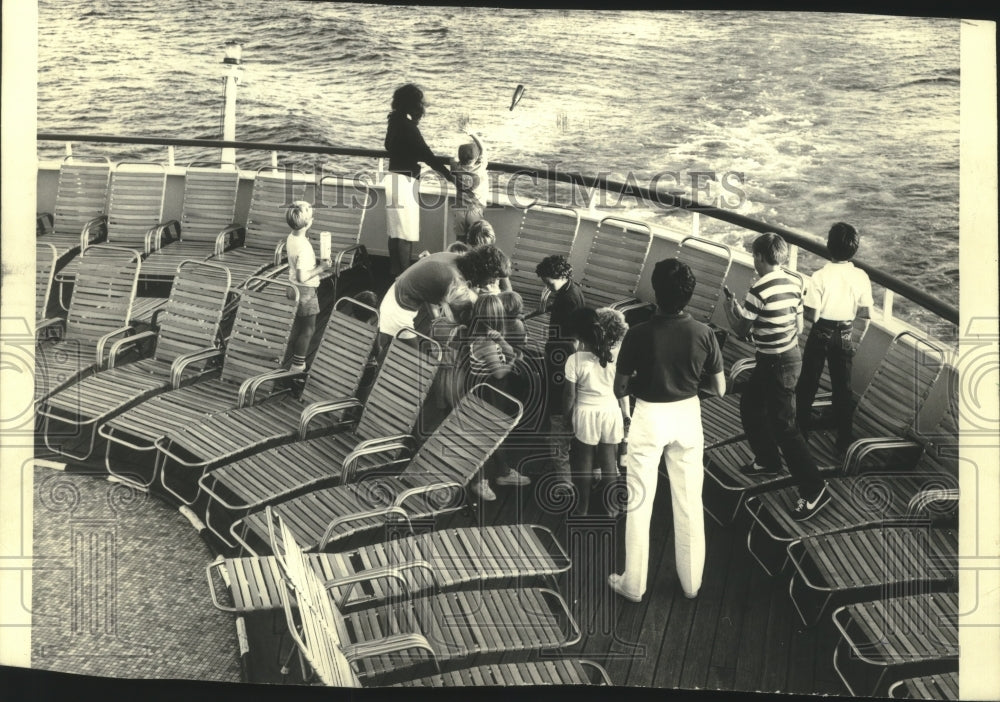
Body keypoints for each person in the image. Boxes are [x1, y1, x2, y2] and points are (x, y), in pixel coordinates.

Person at [609, 259, 725, 602]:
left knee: (640, 503)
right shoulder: (704, 334)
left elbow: (619, 389)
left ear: (656, 293)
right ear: (689, 295)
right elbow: (719, 388)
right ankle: (691, 583)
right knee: (689, 502)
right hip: (688, 416)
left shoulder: (638, 333)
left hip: (649, 417)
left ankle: (633, 585)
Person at [723, 232, 829, 522]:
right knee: (751, 406)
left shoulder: (757, 290)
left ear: (758, 257)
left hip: (776, 364)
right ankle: (769, 460)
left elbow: (741, 331)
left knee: (785, 427)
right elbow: (798, 325)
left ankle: (815, 488)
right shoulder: (795, 280)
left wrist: (730, 311)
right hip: (787, 358)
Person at [796, 222, 873, 452]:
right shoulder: (861, 276)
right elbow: (866, 312)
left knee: (809, 382)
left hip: (821, 331)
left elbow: (813, 314)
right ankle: (844, 436)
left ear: (829, 246)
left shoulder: (819, 276)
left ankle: (801, 432)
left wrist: (802, 303)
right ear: (855, 248)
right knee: (843, 385)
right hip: (845, 332)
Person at [456, 293, 531, 500]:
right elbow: (499, 372)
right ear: (497, 316)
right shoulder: (486, 344)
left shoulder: (486, 338)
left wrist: (502, 341)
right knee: (483, 439)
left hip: (491, 394)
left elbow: (507, 351)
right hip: (488, 396)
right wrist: (513, 361)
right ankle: (478, 481)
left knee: (496, 436)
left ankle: (504, 471)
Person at [383, 83, 455, 277]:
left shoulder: (394, 121)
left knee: (394, 231)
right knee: (406, 234)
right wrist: (450, 177)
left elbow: (389, 146)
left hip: (392, 179)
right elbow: (428, 155)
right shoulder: (409, 128)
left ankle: (394, 271)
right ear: (414, 105)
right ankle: (406, 276)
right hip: (405, 183)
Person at [563, 307, 629, 517]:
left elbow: (569, 397)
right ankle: (612, 507)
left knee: (583, 464)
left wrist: (567, 420)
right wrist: (626, 415)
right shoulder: (619, 357)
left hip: (585, 416)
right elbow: (622, 391)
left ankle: (582, 508)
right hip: (610, 413)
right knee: (610, 463)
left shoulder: (575, 360)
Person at [377, 244, 510, 344]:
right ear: (483, 271)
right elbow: (466, 316)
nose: (493, 282)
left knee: (390, 342)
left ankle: (378, 346)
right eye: (494, 277)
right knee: (411, 357)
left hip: (396, 293)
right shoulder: (452, 279)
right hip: (397, 309)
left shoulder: (457, 260)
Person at [535, 254, 587, 486]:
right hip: (559, 352)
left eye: (549, 283)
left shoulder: (569, 300)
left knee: (559, 398)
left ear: (562, 276)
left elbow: (573, 338)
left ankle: (559, 436)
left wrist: (557, 358)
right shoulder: (568, 290)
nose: (547, 287)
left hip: (562, 357)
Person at [284, 201, 331, 372]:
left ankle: (286, 358)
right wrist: (321, 268)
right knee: (308, 330)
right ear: (308, 222)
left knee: (296, 327)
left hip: (292, 288)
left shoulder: (292, 237)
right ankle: (298, 367)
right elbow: (302, 276)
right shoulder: (303, 246)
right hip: (305, 291)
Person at [451, 133, 490, 242]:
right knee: (476, 240)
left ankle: (459, 256)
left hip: (460, 210)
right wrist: (472, 134)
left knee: (460, 240)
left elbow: (452, 158)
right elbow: (483, 149)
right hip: (475, 210)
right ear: (476, 157)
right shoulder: (480, 167)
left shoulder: (456, 168)